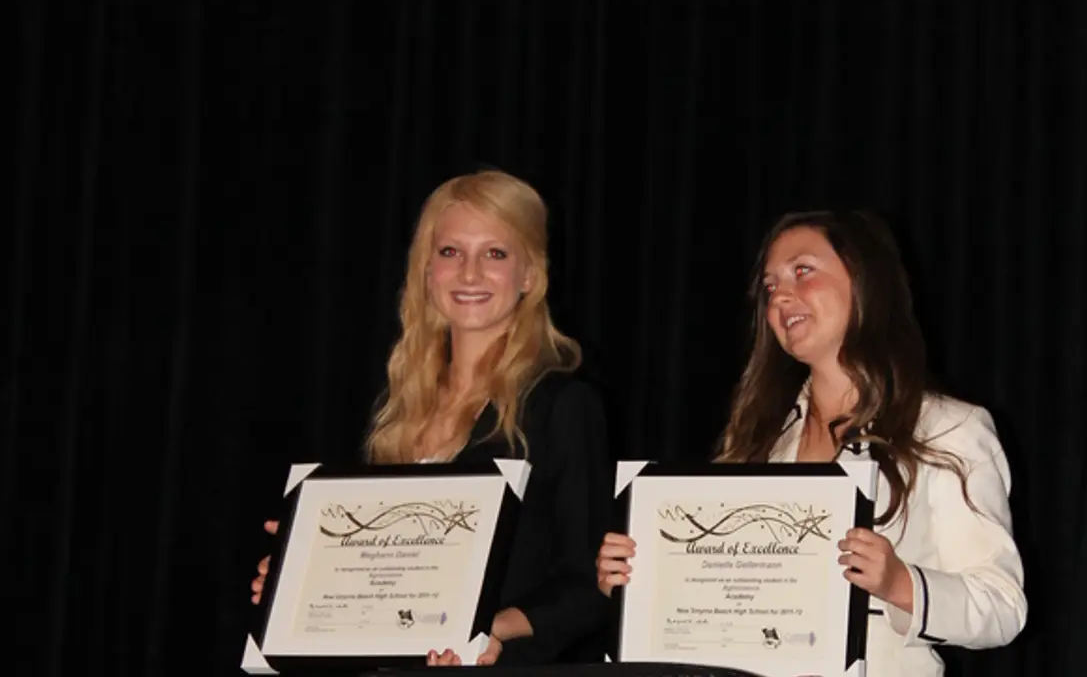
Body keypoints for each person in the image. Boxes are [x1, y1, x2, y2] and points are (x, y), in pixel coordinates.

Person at [596, 210, 1026, 676]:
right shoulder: (755, 437)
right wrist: (638, 582)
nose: (780, 294)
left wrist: (901, 583)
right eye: (770, 285)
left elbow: (1002, 607)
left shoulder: (948, 428)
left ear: (864, 280)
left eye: (802, 271)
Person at [251, 170, 613, 665]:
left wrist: (488, 632)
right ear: (425, 269)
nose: (469, 274)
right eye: (450, 252)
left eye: (495, 253)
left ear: (530, 274)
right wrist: (299, 580)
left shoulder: (562, 407)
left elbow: (588, 584)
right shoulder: (391, 409)